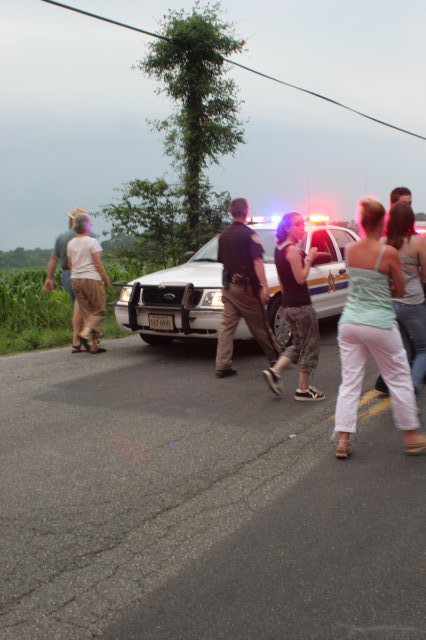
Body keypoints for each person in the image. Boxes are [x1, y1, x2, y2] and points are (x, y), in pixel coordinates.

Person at [334, 197, 426, 459]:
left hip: (350, 322)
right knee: (398, 377)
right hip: (379, 323)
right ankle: (411, 436)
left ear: (361, 222)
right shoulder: (388, 253)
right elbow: (400, 289)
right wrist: (388, 286)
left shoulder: (350, 249)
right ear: (381, 223)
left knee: (350, 382)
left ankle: (343, 440)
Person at [262, 212, 325, 401]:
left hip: (288, 305)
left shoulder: (278, 249)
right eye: (298, 224)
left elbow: (282, 281)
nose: (302, 227)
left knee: (298, 344)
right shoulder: (292, 251)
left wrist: (286, 301)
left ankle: (275, 371)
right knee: (310, 346)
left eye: (303, 224)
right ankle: (303, 389)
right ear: (288, 228)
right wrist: (310, 258)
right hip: (302, 306)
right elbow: (301, 278)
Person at [215, 197, 280, 377]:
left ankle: (222, 365)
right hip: (246, 289)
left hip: (228, 287)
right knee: (260, 325)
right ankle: (276, 359)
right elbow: (257, 262)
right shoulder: (250, 235)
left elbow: (222, 260)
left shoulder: (223, 236)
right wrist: (264, 287)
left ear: (231, 212)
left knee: (227, 327)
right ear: (246, 211)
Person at [375, 185, 414, 394]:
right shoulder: (383, 233)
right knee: (400, 343)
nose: (408, 208)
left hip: (411, 294)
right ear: (393, 206)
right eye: (404, 204)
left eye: (410, 203)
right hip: (392, 296)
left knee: (406, 340)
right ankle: (392, 382)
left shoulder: (411, 232)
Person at [385, 202, 426, 396]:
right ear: (410, 220)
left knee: (403, 350)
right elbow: (425, 273)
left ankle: (399, 390)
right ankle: (414, 385)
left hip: (392, 303)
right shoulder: (417, 242)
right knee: (423, 348)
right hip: (413, 303)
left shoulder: (385, 243)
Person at [67, 212, 111, 354]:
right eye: (90, 223)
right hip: (91, 279)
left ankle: (94, 346)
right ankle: (85, 333)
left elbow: (70, 265)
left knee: (88, 314)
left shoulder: (71, 243)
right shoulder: (92, 241)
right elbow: (98, 264)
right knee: (99, 311)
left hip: (75, 280)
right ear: (86, 226)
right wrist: (106, 279)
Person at [43, 206, 86, 352]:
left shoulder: (61, 237)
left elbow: (53, 259)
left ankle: (85, 337)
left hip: (67, 275)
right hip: (84, 274)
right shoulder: (90, 235)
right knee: (81, 304)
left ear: (71, 220)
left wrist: (49, 278)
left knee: (78, 304)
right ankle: (77, 339)